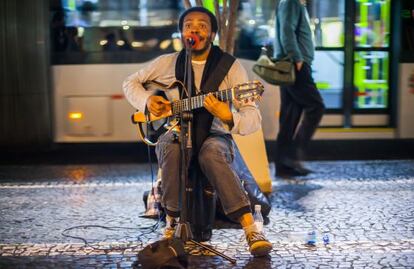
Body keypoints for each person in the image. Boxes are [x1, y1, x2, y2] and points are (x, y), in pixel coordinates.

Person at [123, 7, 272, 257]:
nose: (194, 29)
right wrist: (149, 100)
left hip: (214, 135)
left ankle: (250, 228)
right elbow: (130, 83)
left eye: (202, 25)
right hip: (174, 129)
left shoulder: (229, 67)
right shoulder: (167, 62)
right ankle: (171, 226)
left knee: (212, 153)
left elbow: (251, 117)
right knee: (170, 146)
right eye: (188, 25)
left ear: (212, 33)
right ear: (182, 32)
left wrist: (227, 115)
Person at [274, 0, 325, 177]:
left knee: (290, 114)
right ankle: (295, 154)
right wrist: (297, 58)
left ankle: (283, 165)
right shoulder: (291, 2)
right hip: (295, 64)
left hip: (292, 63)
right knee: (316, 106)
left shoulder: (292, 3)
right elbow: (286, 30)